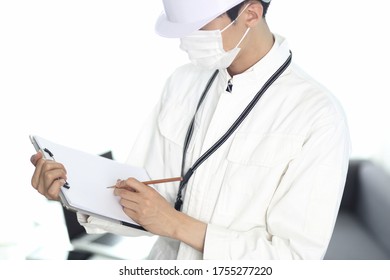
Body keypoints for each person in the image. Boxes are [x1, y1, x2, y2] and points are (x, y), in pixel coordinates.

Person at [30, 0, 351, 259]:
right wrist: (74, 191)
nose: (187, 41)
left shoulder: (317, 115)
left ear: (251, 14)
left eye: (199, 27)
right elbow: (142, 194)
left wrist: (175, 224)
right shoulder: (184, 81)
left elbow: (294, 259)